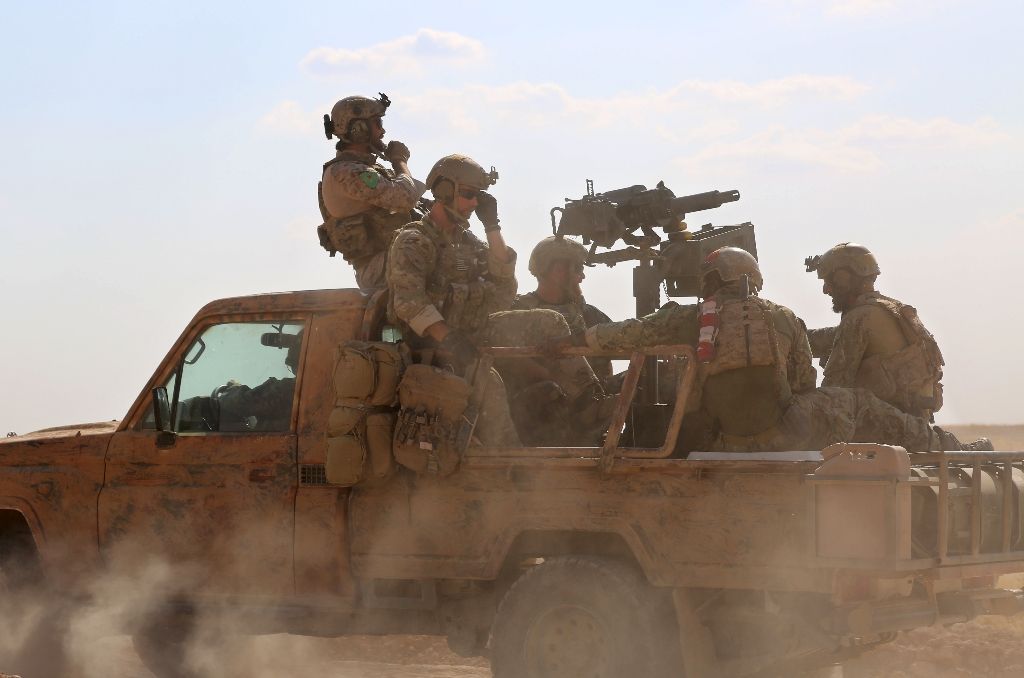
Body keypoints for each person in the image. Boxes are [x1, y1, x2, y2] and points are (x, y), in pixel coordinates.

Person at [548, 246, 988, 453]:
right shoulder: (783, 318)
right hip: (785, 434)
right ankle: (946, 448)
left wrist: (576, 340)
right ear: (752, 279)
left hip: (722, 441)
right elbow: (803, 383)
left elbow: (630, 333)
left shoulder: (688, 319)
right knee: (852, 401)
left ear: (711, 281)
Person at [386, 154, 609, 446]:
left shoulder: (468, 243)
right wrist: (448, 338)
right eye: (468, 195)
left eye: (479, 196)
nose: (474, 203)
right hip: (433, 347)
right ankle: (508, 466)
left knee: (550, 320)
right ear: (443, 192)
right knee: (488, 383)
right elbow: (409, 302)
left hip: (472, 332)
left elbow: (503, 290)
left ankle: (590, 402)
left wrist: (492, 226)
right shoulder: (414, 241)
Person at [805, 243, 945, 420]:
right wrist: (788, 330)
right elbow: (829, 338)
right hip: (913, 423)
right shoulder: (890, 310)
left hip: (885, 425)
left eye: (829, 281)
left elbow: (833, 390)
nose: (826, 290)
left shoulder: (858, 318)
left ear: (844, 278)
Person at [318, 93, 424, 290]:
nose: (382, 131)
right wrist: (399, 160)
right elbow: (404, 197)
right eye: (377, 123)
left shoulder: (369, 170)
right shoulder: (347, 172)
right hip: (381, 269)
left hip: (397, 260)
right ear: (359, 129)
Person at [514, 235, 615, 384]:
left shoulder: (589, 314)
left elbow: (609, 359)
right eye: (578, 268)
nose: (582, 276)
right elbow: (511, 362)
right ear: (557, 270)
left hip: (592, 397)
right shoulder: (518, 312)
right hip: (544, 399)